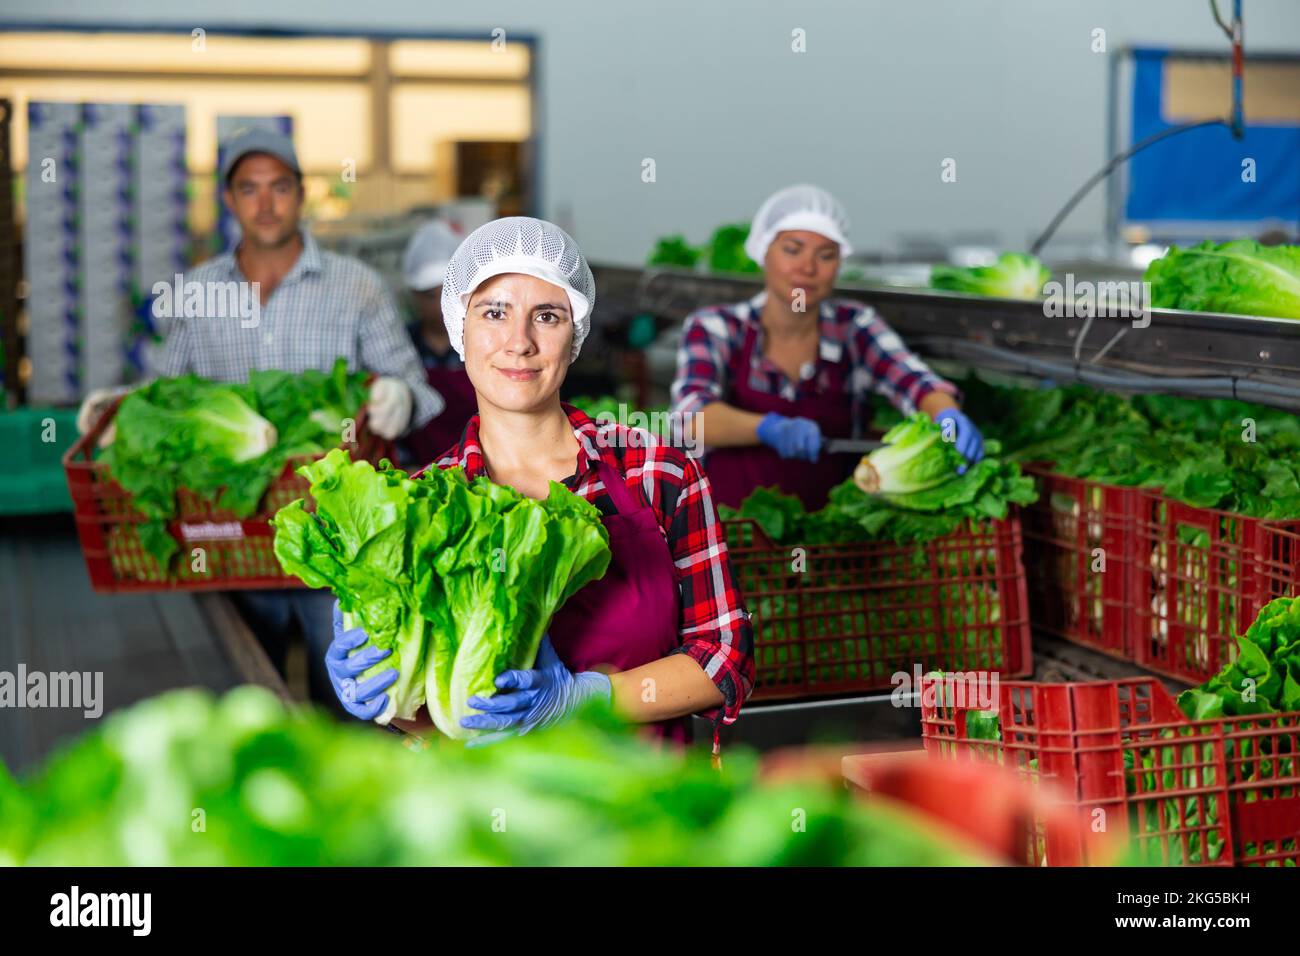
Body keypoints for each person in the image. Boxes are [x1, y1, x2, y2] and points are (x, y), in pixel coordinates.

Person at [326, 217, 755, 747]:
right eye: (494, 313)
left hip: (648, 810)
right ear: (459, 326)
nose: (519, 343)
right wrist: (385, 696)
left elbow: (725, 659)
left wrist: (584, 700)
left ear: (575, 332)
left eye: (546, 316)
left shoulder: (655, 471)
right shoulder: (419, 508)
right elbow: (440, 724)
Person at [75, 126, 441, 715]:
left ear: (301, 193)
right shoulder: (195, 292)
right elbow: (168, 393)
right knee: (248, 696)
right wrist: (122, 408)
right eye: (249, 189)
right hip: (233, 531)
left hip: (340, 540)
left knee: (358, 703)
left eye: (279, 187)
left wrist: (401, 394)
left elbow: (422, 391)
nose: (265, 203)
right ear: (229, 199)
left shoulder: (358, 287)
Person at [670, 184, 984, 511]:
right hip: (731, 536)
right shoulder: (716, 327)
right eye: (793, 249)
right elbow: (690, 419)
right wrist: (766, 428)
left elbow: (914, 381)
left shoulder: (854, 327)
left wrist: (946, 413)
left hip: (832, 541)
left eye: (826, 255)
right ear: (764, 252)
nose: (808, 267)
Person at [396, 219, 478, 467]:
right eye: (431, 296)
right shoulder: (400, 346)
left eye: (447, 293)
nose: (440, 305)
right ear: (414, 297)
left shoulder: (482, 343)